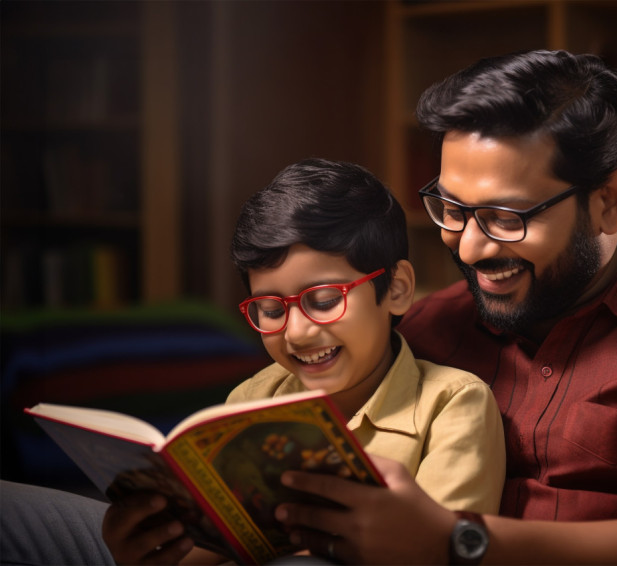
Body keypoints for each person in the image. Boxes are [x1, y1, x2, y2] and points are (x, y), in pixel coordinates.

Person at [270, 50, 617, 565]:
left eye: (506, 217)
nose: (468, 247)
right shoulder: (427, 327)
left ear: (608, 202)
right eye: (452, 208)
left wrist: (453, 543)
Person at [0, 159, 505, 566]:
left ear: (395, 289)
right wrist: (153, 547)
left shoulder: (452, 402)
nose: (298, 331)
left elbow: (445, 550)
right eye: (270, 309)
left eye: (325, 299)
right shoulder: (255, 396)